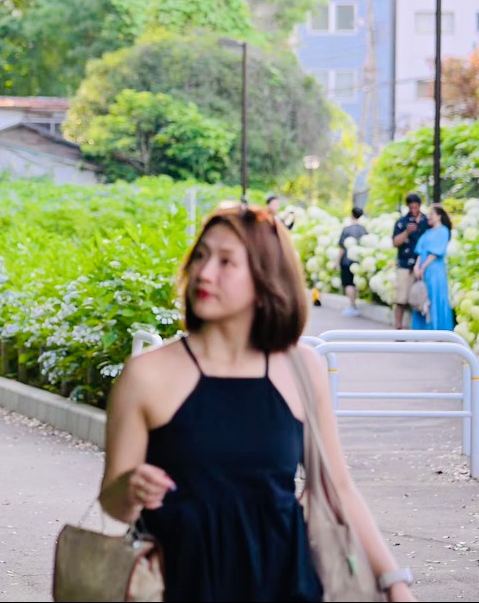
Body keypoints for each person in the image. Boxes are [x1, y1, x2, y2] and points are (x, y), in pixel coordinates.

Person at [98, 202, 416, 602]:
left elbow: (337, 489)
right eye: (201, 256)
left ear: (265, 279)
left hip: (286, 582)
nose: (205, 272)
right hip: (178, 583)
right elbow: (114, 504)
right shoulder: (146, 374)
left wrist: (395, 583)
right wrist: (130, 489)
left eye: (227, 262)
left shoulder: (303, 368)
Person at [412, 204, 454, 332]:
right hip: (424, 271)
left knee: (435, 297)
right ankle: (423, 331)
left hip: (435, 270)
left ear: (439, 216)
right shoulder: (427, 233)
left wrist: (423, 267)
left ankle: (437, 330)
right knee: (423, 297)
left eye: (432, 214)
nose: (429, 216)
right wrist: (416, 267)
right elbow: (420, 251)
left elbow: (436, 253)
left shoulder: (443, 231)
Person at [391, 193, 429, 330]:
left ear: (420, 205)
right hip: (404, 264)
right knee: (401, 299)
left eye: (416, 207)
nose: (413, 210)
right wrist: (407, 232)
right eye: (411, 207)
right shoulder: (402, 222)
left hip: (422, 265)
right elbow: (395, 242)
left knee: (419, 299)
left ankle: (418, 330)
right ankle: (399, 329)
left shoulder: (427, 221)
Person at [338, 207, 368, 316]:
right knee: (355, 283)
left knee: (348, 283)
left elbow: (341, 247)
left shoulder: (346, 229)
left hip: (346, 261)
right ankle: (354, 305)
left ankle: (352, 306)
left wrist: (337, 262)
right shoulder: (363, 229)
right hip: (359, 261)